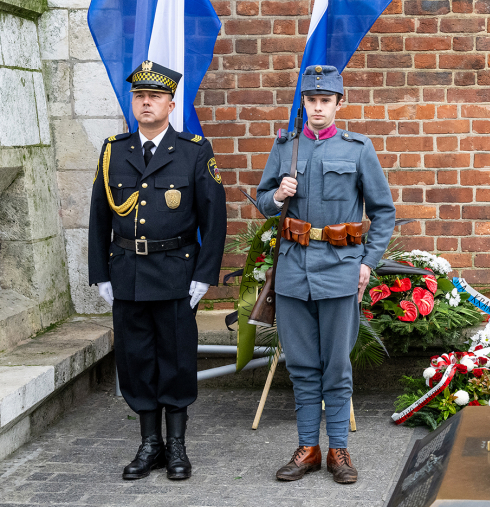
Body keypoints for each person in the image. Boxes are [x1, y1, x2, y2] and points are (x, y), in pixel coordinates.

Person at [256, 65, 395, 484]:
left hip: (340, 269)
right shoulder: (286, 147)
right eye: (311, 101)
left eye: (325, 101)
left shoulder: (357, 148)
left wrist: (367, 263)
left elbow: (383, 211)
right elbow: (263, 201)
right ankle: (308, 448)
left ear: (338, 104)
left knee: (336, 364)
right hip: (295, 271)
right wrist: (277, 194)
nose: (318, 107)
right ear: (303, 104)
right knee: (300, 364)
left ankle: (338, 448)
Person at [88, 60, 227, 481]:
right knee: (135, 359)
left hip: (175, 274)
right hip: (127, 271)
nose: (145, 103)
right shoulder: (114, 149)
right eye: (139, 96)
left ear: (170, 103)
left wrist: (203, 276)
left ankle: (178, 446)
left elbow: (214, 219)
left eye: (154, 97)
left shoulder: (193, 150)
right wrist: (101, 274)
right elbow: (98, 216)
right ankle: (150, 445)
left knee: (177, 358)